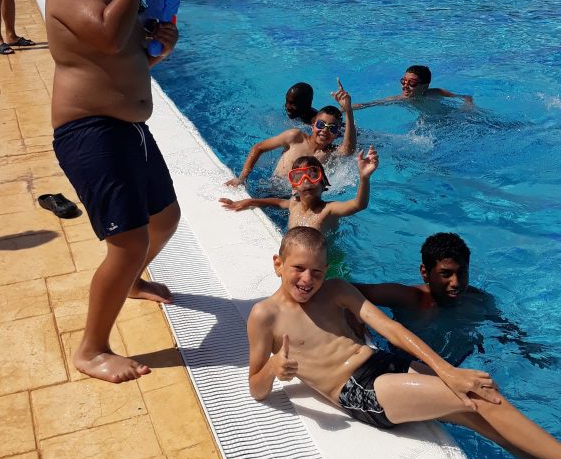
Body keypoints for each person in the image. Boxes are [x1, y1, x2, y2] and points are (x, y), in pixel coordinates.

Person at [247, 227, 561, 459]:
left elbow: (391, 329)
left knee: (477, 415)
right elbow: (256, 388)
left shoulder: (336, 290)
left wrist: (446, 371)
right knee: (478, 398)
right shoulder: (265, 316)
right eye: (298, 268)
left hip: (382, 362)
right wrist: (274, 367)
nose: (307, 279)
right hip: (357, 388)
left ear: (326, 270)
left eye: (317, 272)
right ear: (278, 264)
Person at [45, 0, 180, 384]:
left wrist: (159, 50)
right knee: (128, 241)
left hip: (129, 129)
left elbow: (127, 56)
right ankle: (92, 349)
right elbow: (105, 37)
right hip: (90, 131)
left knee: (165, 218)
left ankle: (132, 281)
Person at [354, 232, 550, 367]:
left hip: (457, 364)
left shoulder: (478, 300)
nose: (456, 282)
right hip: (406, 363)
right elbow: (346, 290)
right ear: (425, 272)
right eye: (445, 274)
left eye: (462, 272)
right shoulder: (409, 298)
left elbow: (505, 329)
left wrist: (530, 350)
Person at [225, 78, 357, 187]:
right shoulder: (295, 137)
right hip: (270, 188)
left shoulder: (331, 153)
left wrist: (348, 110)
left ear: (337, 133)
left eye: (332, 128)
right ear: (313, 125)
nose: (325, 130)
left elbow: (349, 149)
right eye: (321, 125)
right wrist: (242, 178)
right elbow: (259, 147)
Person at [220, 147, 378, 233]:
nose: (306, 181)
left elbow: (359, 204)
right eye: (298, 177)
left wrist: (364, 177)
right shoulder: (293, 204)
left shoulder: (329, 210)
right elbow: (277, 202)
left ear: (323, 183)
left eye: (313, 175)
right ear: (293, 186)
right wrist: (251, 201)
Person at [352, 65, 472, 109]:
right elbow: (370, 104)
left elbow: (466, 97)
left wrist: (467, 107)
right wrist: (346, 107)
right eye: (403, 81)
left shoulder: (436, 92)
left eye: (412, 83)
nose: (405, 86)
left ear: (424, 86)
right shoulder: (401, 99)